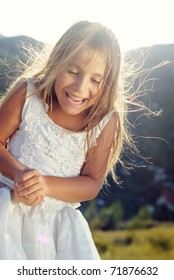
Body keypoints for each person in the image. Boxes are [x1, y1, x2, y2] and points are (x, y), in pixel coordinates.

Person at [0, 20, 132, 260]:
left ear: (109, 82)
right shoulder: (27, 94)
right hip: (6, 211)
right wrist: (20, 175)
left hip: (59, 231)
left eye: (95, 79)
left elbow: (91, 183)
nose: (80, 87)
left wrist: (46, 185)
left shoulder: (105, 120)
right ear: (57, 63)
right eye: (73, 71)